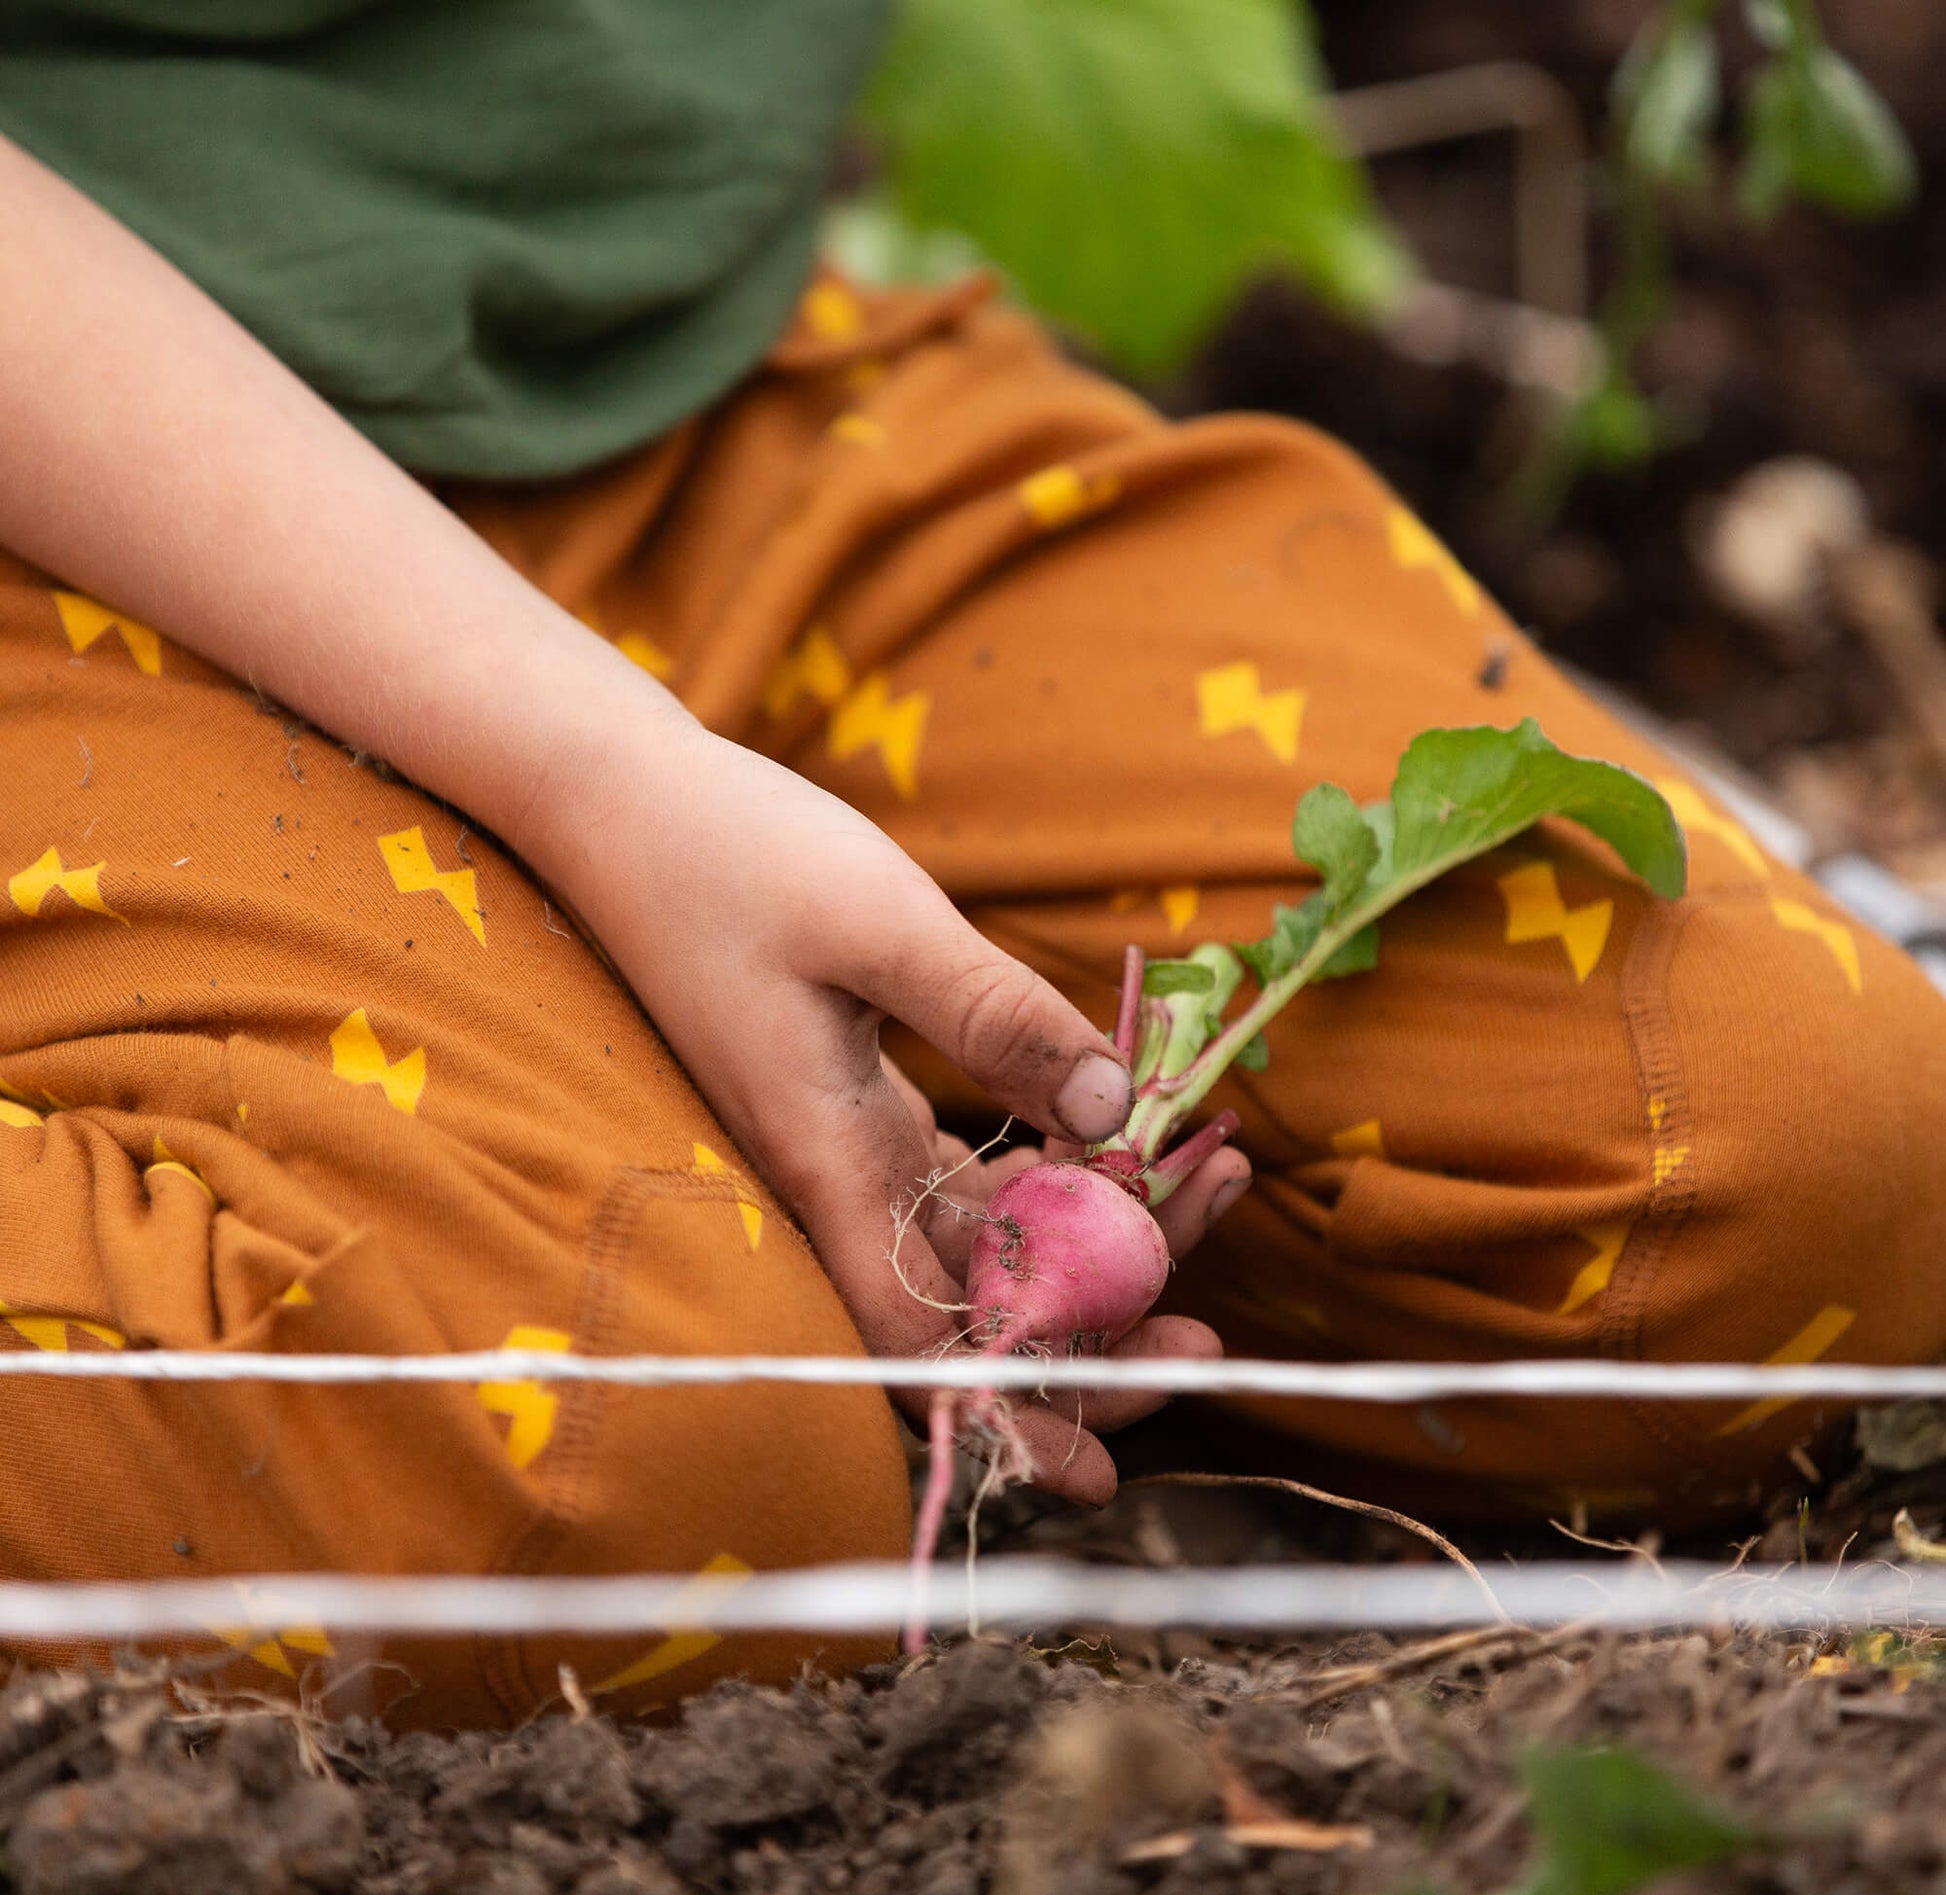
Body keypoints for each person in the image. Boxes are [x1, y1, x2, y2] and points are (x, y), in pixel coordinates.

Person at [0, 3, 1939, 1730]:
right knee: (619, 1482)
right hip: (64, 467)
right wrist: (591, 768)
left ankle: (788, 1236)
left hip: (664, 371)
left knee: (1778, 1160)